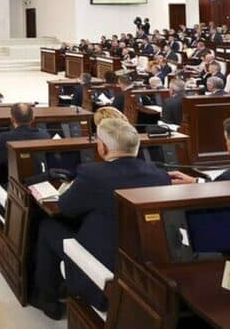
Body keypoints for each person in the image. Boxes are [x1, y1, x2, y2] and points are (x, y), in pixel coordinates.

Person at [31, 119, 171, 319]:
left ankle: (48, 299)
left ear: (102, 147)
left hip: (102, 279)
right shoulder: (160, 176)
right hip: (143, 276)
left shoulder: (92, 174)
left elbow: (66, 209)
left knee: (48, 226)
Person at [0, 103, 50, 220]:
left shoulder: (6, 137)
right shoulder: (44, 135)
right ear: (33, 118)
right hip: (40, 185)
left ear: (12, 119)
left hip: (16, 190)